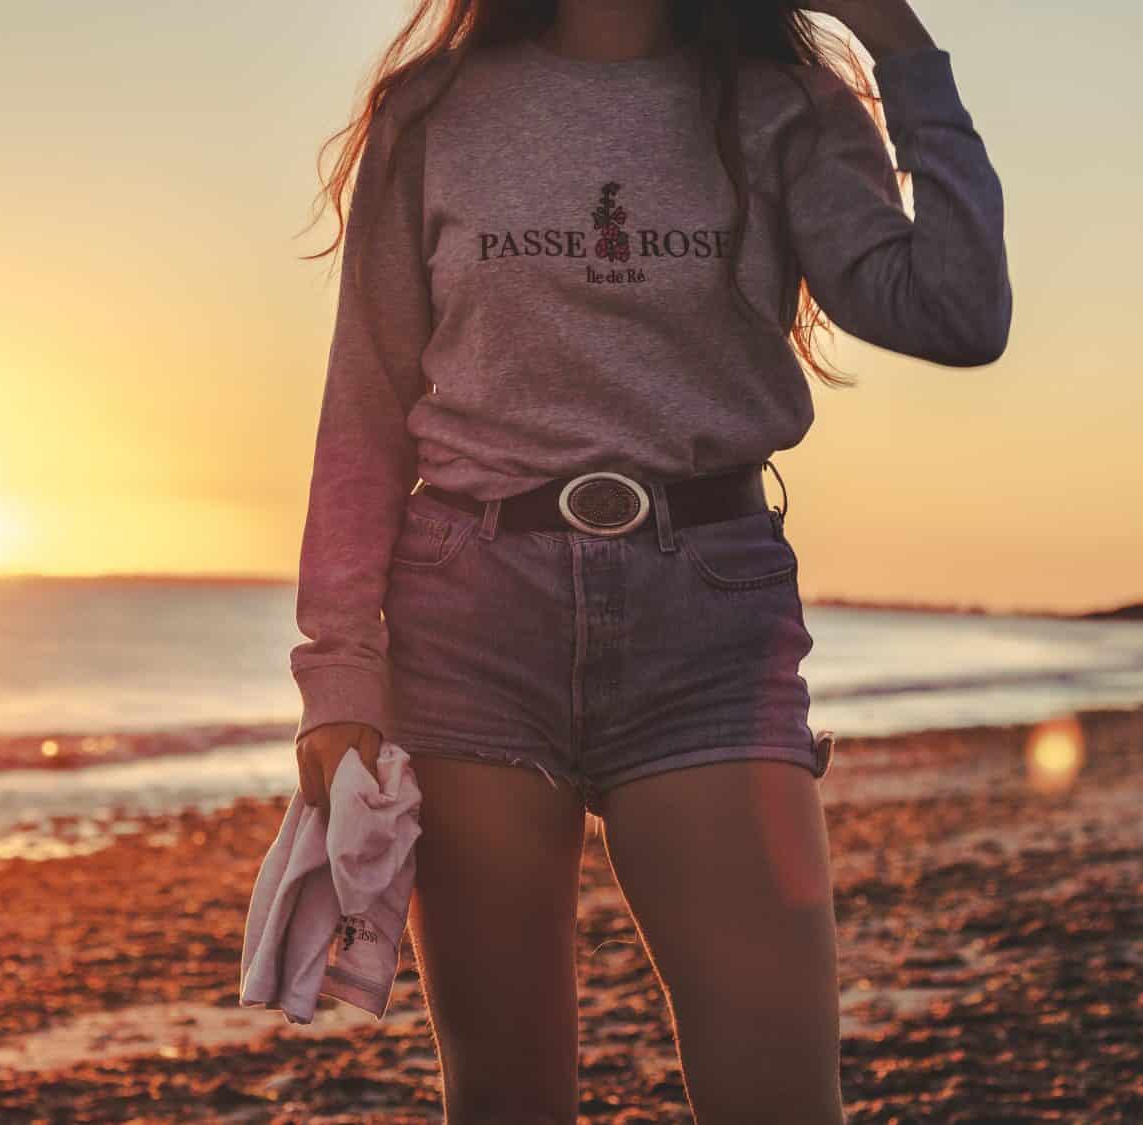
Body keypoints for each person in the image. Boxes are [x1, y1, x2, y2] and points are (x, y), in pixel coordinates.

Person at [288, 1, 1011, 1120]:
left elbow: (958, 310)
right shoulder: (432, 110)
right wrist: (335, 672)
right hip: (469, 616)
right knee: (503, 1101)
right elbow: (366, 407)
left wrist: (902, 50)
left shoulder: (783, 104)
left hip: (709, 623)